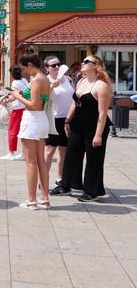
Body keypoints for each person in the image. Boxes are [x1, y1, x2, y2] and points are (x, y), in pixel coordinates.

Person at [49, 55, 112, 201]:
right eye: (83, 61)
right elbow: (75, 102)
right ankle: (67, 185)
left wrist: (98, 135)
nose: (82, 63)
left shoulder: (101, 85)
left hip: (95, 126)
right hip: (78, 125)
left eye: (86, 62)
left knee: (93, 159)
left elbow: (102, 114)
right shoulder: (82, 81)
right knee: (71, 155)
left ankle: (92, 191)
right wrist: (68, 120)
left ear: (96, 66)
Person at [8, 53, 51, 210]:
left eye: (24, 67)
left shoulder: (37, 80)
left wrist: (17, 96)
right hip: (40, 119)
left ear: (31, 65)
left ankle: (32, 200)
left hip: (32, 119)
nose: (24, 71)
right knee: (40, 161)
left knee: (30, 162)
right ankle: (44, 198)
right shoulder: (44, 78)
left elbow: (33, 104)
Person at [43, 55, 74, 186]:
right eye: (53, 65)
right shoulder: (45, 81)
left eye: (58, 64)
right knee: (49, 150)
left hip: (68, 119)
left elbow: (74, 96)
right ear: (46, 69)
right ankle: (43, 179)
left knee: (64, 150)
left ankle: (59, 178)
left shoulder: (67, 79)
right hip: (53, 119)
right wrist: (51, 87)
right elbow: (42, 98)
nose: (56, 67)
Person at [0, 65, 28, 161]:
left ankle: (11, 153)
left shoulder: (15, 83)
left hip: (17, 109)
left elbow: (15, 96)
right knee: (23, 131)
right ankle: (24, 153)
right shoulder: (24, 81)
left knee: (12, 131)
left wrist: (6, 101)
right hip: (25, 107)